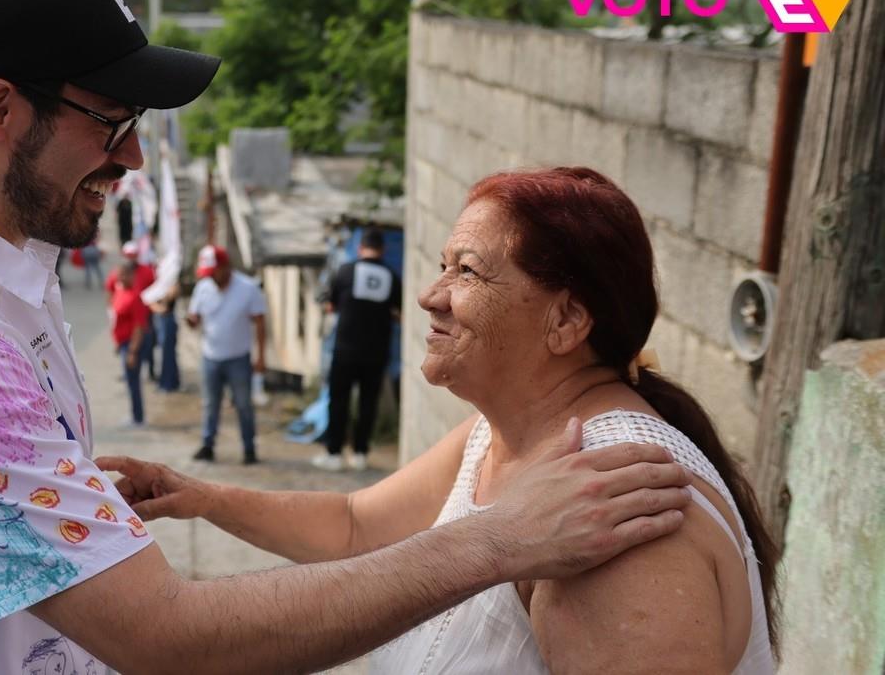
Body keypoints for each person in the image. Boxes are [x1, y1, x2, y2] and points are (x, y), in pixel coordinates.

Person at [0, 0, 692, 675]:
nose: (130, 159)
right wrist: (501, 539)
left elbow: (361, 525)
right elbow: (167, 636)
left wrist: (118, 494)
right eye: (110, 121)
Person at [102, 167, 778, 673]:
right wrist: (201, 496)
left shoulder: (614, 505)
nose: (430, 294)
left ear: (567, 320)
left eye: (469, 271)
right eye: (442, 265)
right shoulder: (501, 434)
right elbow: (356, 528)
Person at [314, 226, 402, 472]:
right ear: (382, 250)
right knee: (367, 403)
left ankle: (333, 453)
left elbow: (331, 305)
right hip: (376, 352)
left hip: (345, 350)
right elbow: (398, 313)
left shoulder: (345, 272)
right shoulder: (393, 277)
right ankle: (361, 453)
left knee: (338, 400)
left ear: (359, 248)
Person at [185, 245, 267, 465]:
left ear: (225, 267)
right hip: (211, 356)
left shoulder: (248, 288)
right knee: (211, 404)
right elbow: (195, 317)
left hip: (238, 358)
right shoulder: (203, 288)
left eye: (214, 272)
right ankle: (208, 445)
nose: (210, 277)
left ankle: (249, 448)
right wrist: (191, 321)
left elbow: (260, 322)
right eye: (207, 273)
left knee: (243, 404)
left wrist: (261, 356)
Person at [110, 260, 149, 426]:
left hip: (132, 345)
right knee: (130, 381)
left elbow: (139, 327)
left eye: (125, 274)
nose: (121, 278)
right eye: (119, 274)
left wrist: (132, 351)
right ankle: (134, 414)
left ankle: (138, 418)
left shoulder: (135, 297)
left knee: (133, 381)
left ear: (132, 276)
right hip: (123, 343)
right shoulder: (120, 291)